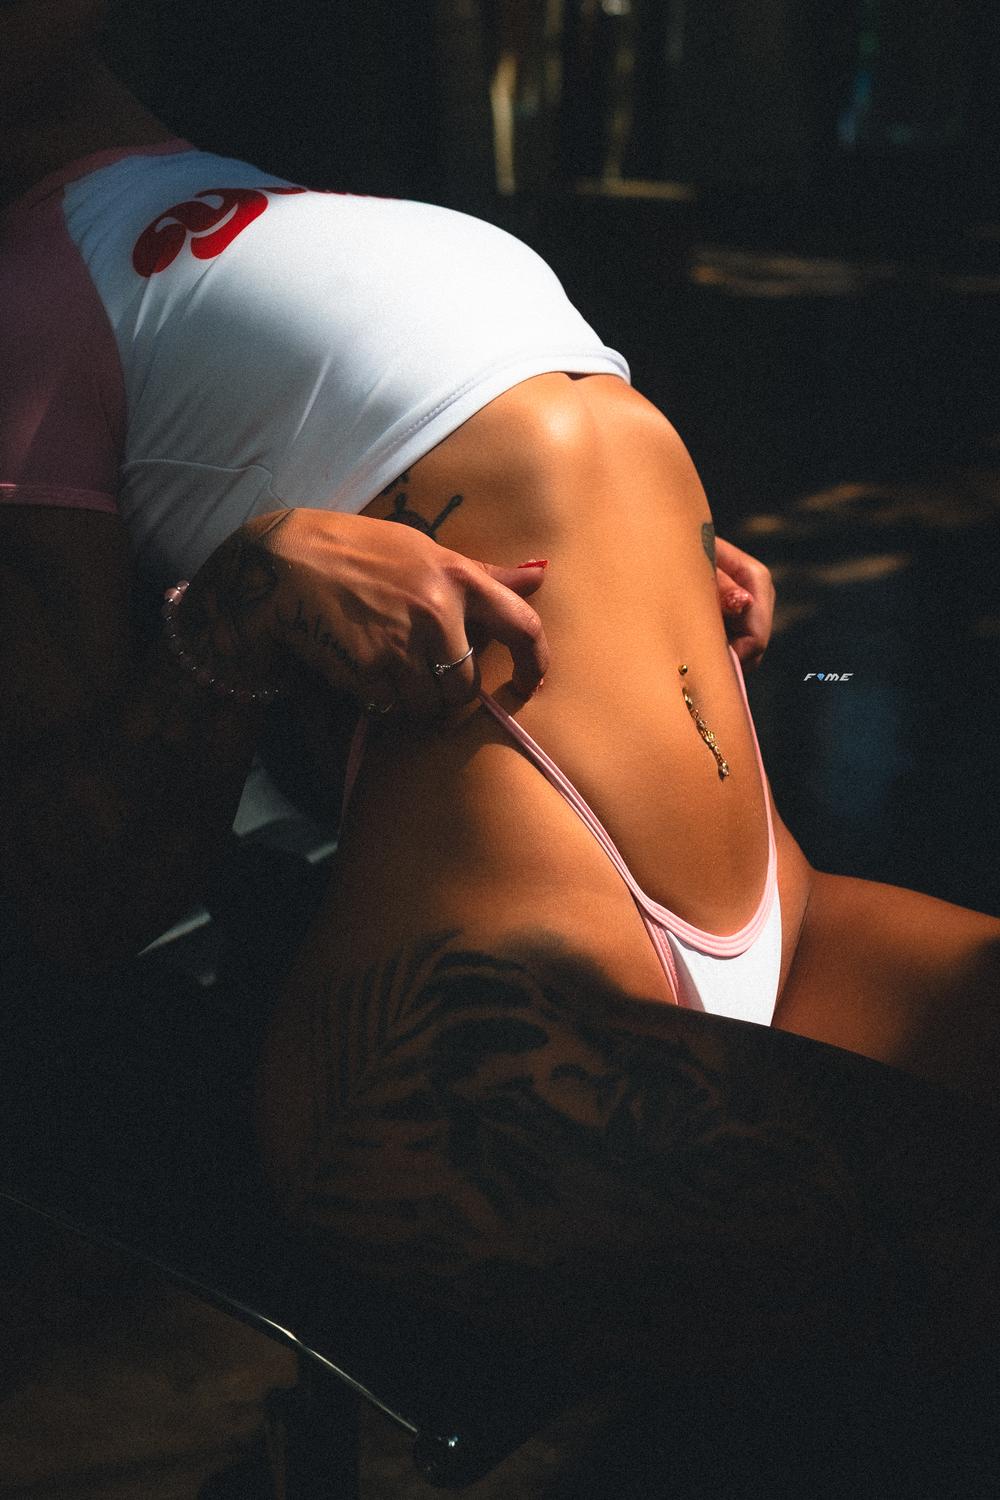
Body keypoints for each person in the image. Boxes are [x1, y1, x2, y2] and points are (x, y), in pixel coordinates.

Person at [2, 0, 997, 1249]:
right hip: (490, 977)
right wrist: (234, 609)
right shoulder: (21, 295)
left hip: (783, 912)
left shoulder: (248, 196)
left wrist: (645, 548)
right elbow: (75, 894)